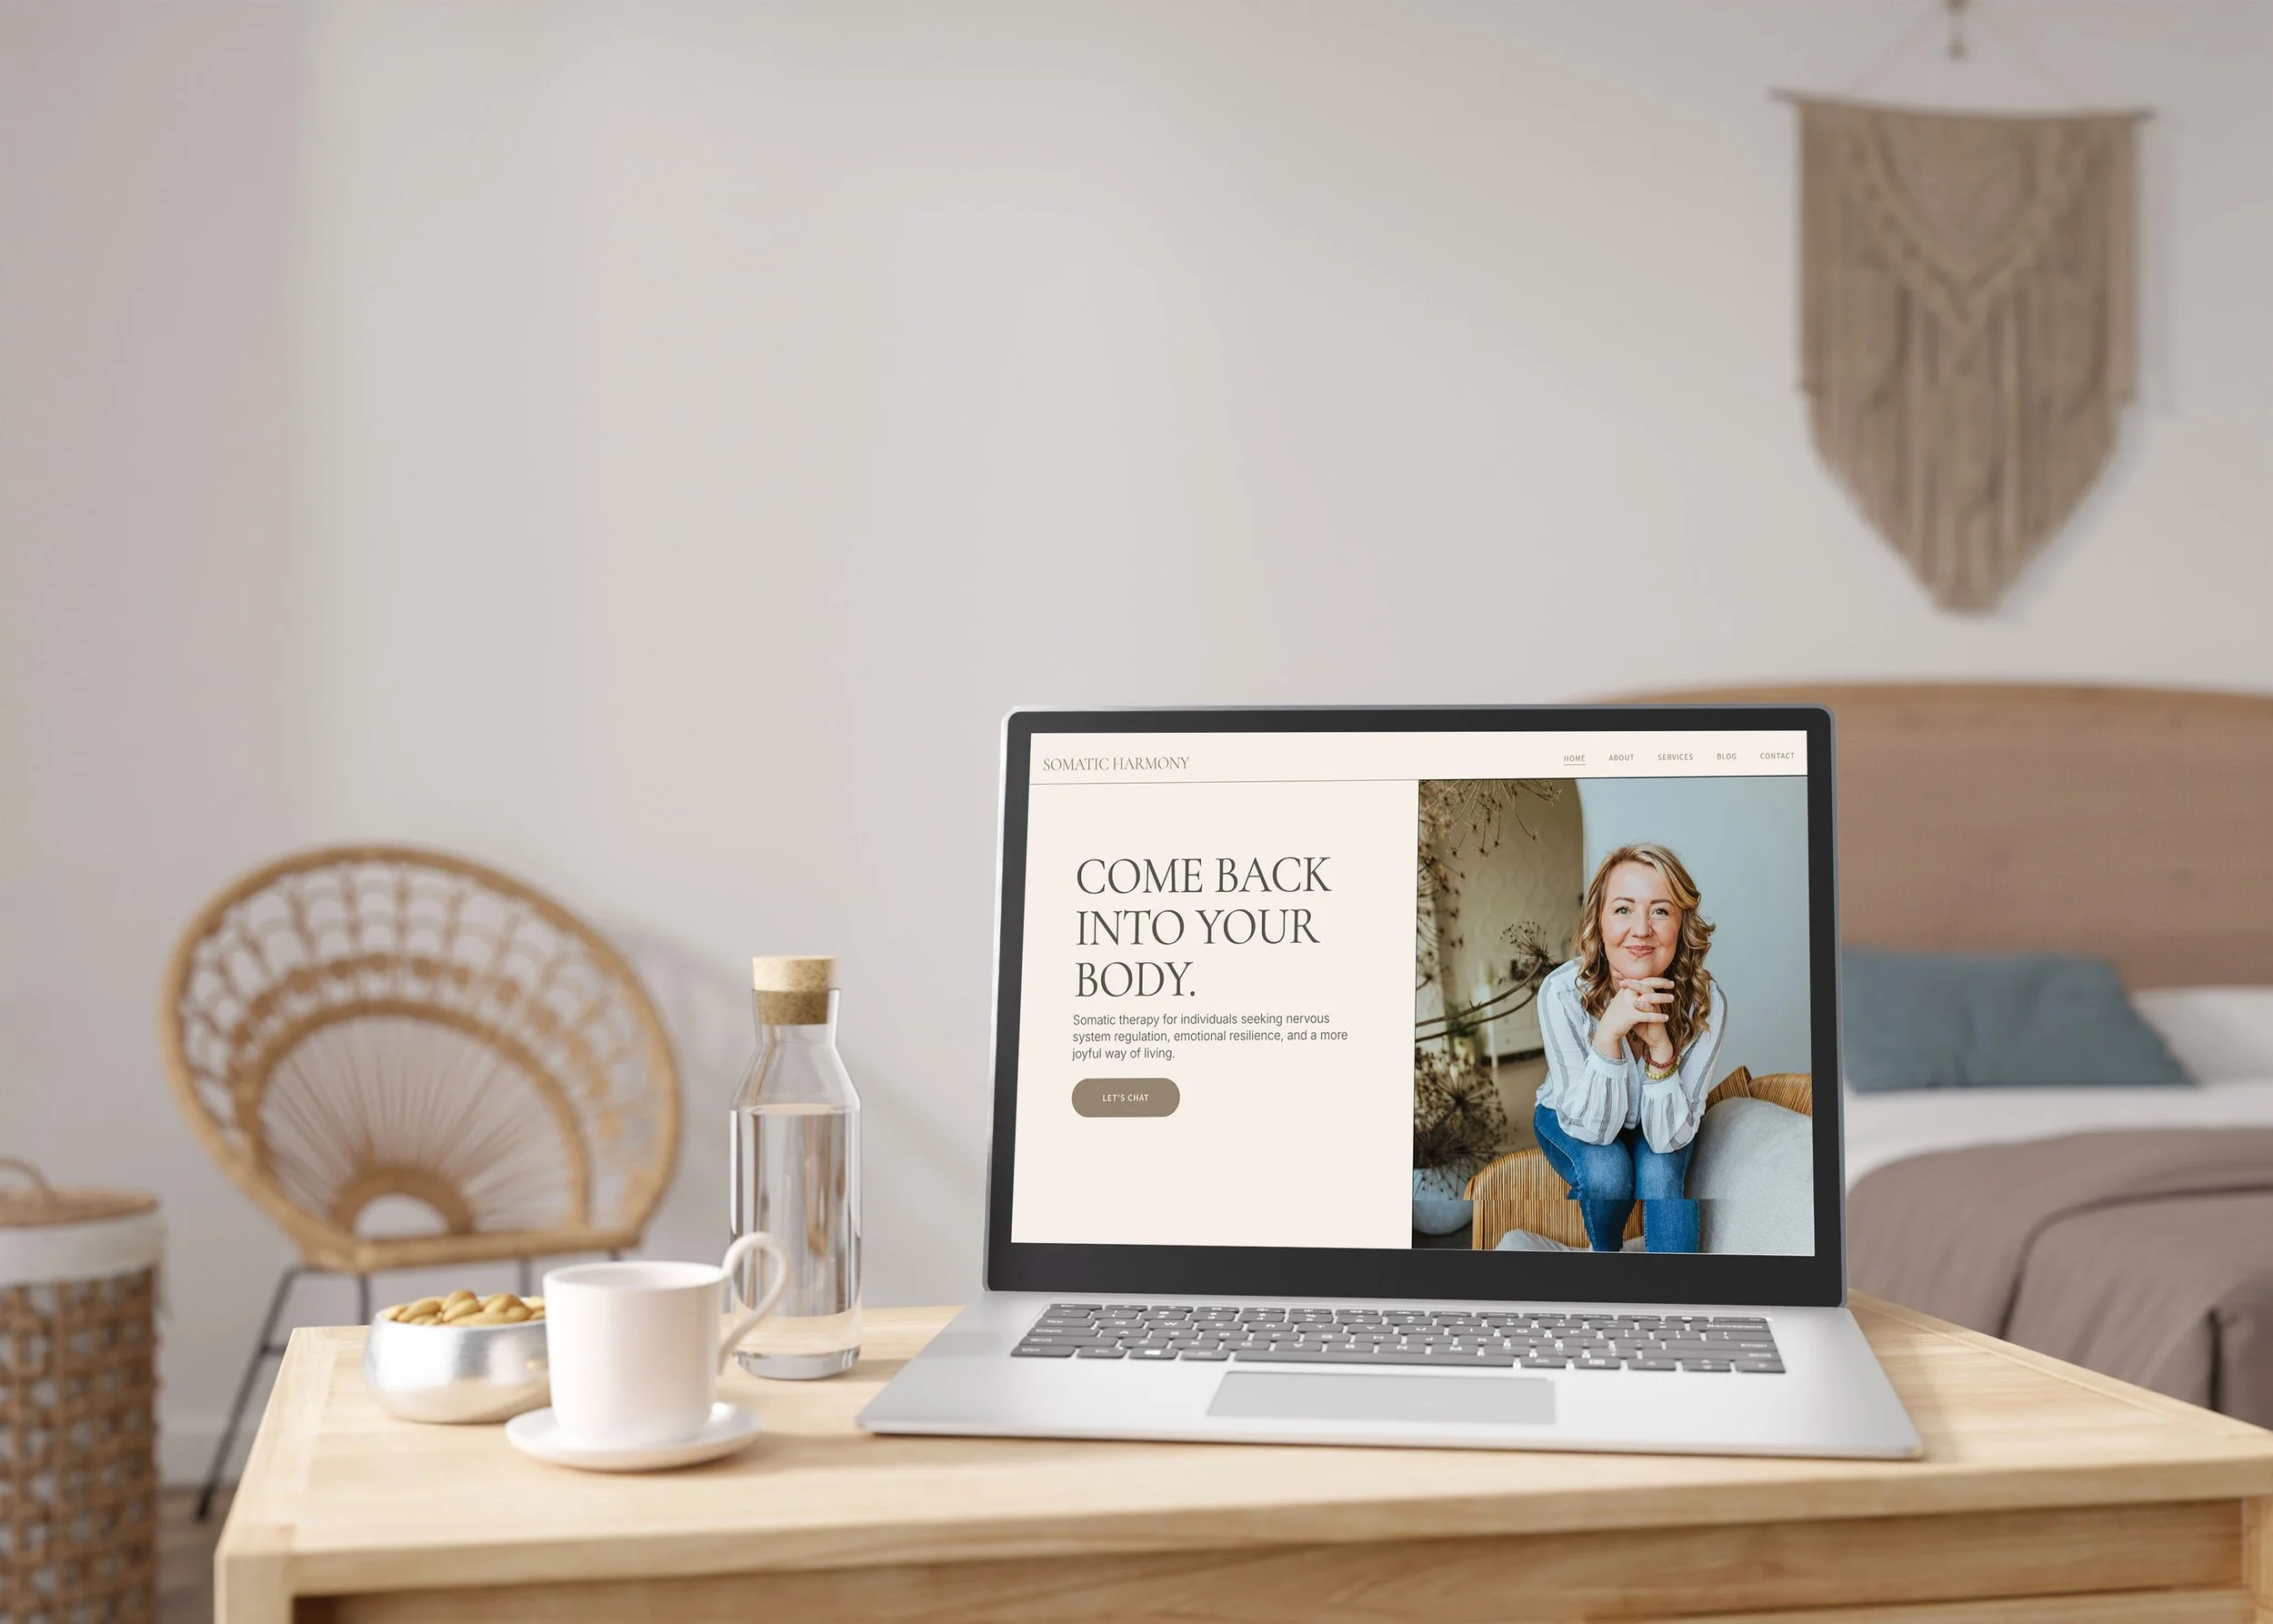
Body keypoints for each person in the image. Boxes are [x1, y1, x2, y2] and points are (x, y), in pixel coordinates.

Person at [1533, 842, 1726, 1253]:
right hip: (1574, 1113)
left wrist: (1661, 1048)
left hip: (1662, 1118)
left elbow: (1667, 1138)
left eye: (1661, 911)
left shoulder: (1706, 1003)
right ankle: (1606, 1255)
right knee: (1607, 1172)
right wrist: (1607, 1037)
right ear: (1599, 921)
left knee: (1660, 1173)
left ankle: (1678, 1292)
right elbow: (1592, 1129)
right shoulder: (1561, 992)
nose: (1641, 930)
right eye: (1623, 909)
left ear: (1682, 923)